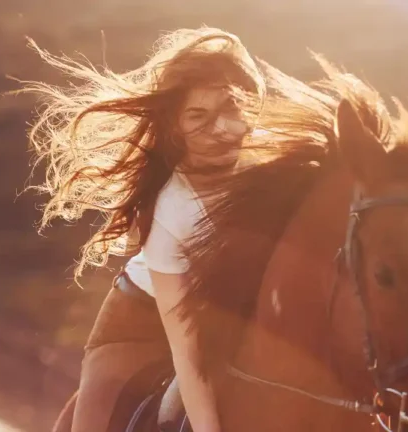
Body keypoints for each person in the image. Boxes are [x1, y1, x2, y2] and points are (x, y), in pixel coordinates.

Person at [22, 27, 265, 432]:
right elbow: (188, 352)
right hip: (143, 322)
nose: (220, 128)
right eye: (197, 116)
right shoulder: (173, 208)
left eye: (229, 108)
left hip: (232, 314)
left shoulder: (271, 162)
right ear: (175, 127)